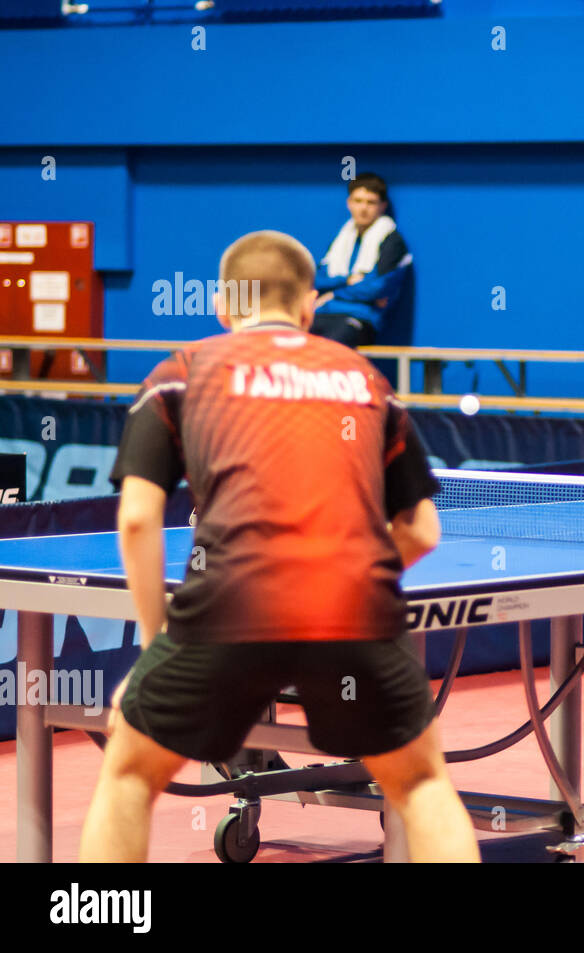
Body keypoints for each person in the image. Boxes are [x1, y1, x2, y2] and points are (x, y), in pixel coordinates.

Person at [80, 230, 479, 862]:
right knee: (424, 782)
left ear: (222, 305)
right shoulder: (363, 379)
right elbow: (423, 530)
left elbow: (136, 520)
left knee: (129, 772)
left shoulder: (179, 374)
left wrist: (157, 641)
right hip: (352, 607)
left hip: (229, 603)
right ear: (308, 308)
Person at [313, 172, 412, 348]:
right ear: (349, 203)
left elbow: (377, 288)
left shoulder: (392, 242)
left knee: (330, 348)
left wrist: (334, 293)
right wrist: (347, 280)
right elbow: (316, 280)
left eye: (370, 202)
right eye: (358, 201)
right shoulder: (341, 240)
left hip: (360, 320)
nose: (363, 208)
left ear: (383, 206)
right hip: (321, 313)